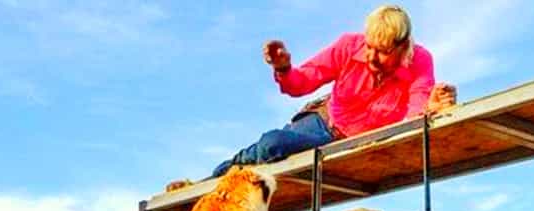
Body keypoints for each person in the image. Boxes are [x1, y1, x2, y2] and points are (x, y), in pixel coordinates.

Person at [167, 5, 456, 189]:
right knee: (271, 143)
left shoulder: (420, 61)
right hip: (324, 125)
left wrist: (430, 109)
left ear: (402, 47)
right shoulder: (347, 46)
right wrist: (284, 68)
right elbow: (302, 82)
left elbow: (415, 109)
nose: (371, 57)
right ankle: (206, 184)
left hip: (360, 142)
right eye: (369, 47)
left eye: (381, 52)